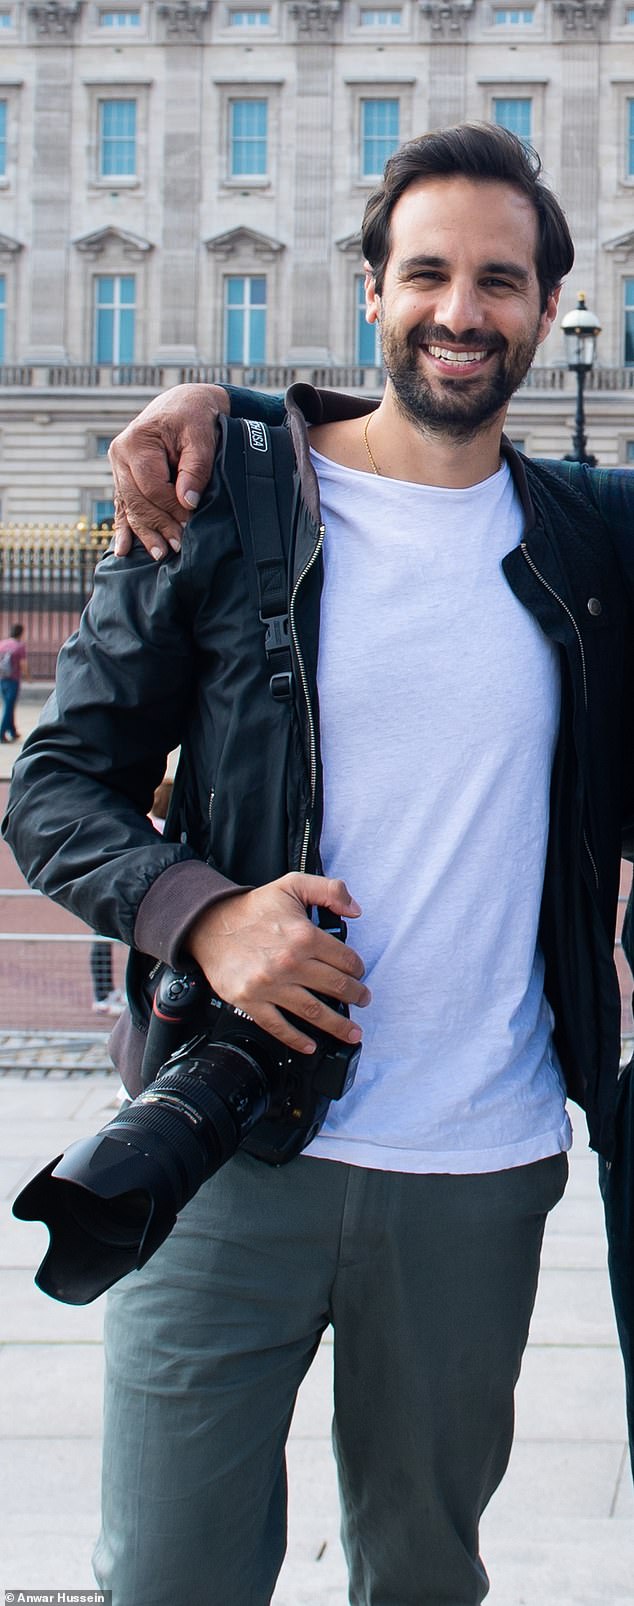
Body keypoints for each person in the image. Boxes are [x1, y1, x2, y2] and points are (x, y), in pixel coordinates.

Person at [4, 122, 634, 1605]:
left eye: (498, 280)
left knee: (422, 1577)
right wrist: (204, 915)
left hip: (475, 1169)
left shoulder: (596, 536)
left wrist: (214, 394)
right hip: (219, 1145)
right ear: (369, 290)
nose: (460, 310)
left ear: (547, 308)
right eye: (426, 272)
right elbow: (56, 783)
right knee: (167, 1575)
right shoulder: (228, 504)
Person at [0, 623, 28, 743]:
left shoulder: (2, 644)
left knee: (8, 704)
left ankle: (12, 730)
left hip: (2, 678)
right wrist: (28, 677)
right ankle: (1, 733)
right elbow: (23, 664)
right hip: (13, 679)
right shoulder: (19, 646)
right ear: (21, 633)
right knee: (9, 706)